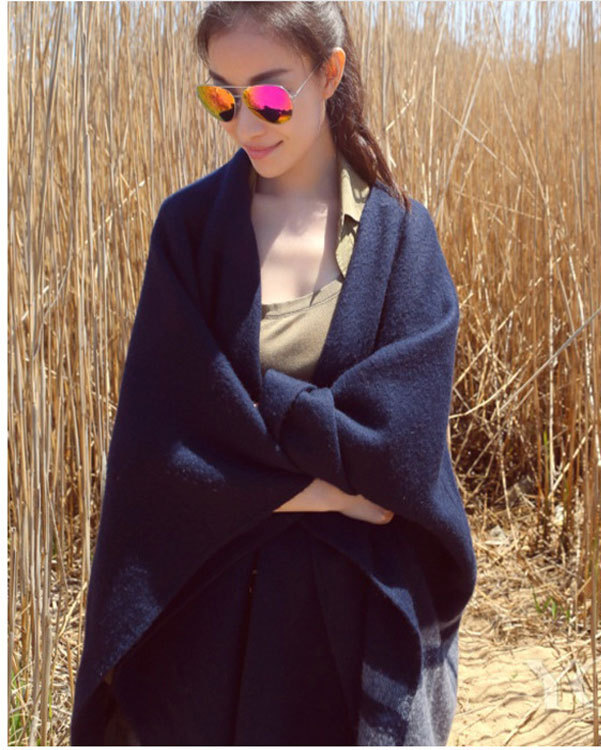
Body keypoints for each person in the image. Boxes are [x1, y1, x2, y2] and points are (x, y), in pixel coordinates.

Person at [70, 1, 476, 745]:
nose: (246, 124)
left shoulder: (402, 239)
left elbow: (401, 452)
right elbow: (160, 449)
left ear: (330, 73)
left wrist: (248, 445)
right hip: (209, 629)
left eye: (268, 94)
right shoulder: (188, 231)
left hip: (353, 629)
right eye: (221, 97)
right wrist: (328, 490)